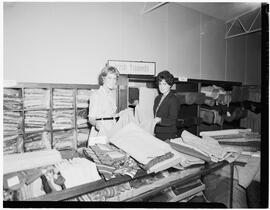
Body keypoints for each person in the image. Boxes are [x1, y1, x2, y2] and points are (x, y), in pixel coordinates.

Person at [88, 65, 119, 138]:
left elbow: (111, 115)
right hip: (100, 131)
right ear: (103, 78)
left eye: (114, 78)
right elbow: (91, 118)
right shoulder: (96, 95)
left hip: (112, 130)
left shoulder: (112, 95)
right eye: (109, 78)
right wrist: (96, 124)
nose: (112, 81)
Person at [153, 70, 179, 140]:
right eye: (160, 84)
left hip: (168, 134)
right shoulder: (157, 98)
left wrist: (160, 120)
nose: (161, 86)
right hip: (157, 132)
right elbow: (156, 114)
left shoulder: (173, 99)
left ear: (170, 85)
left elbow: (172, 120)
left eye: (164, 84)